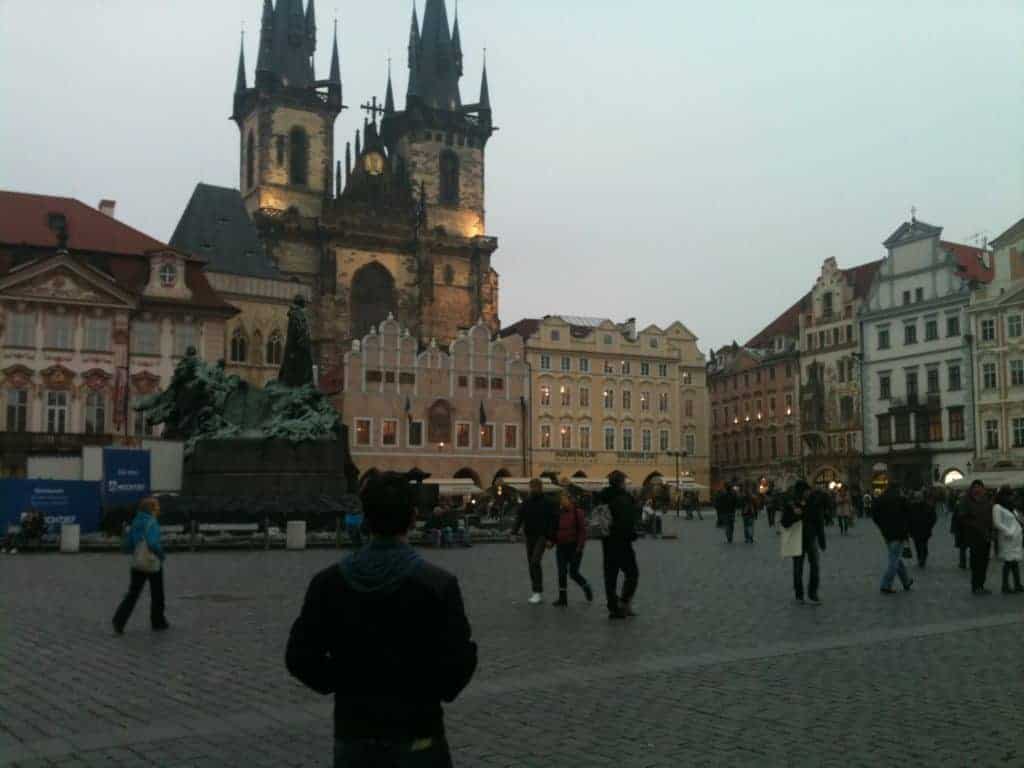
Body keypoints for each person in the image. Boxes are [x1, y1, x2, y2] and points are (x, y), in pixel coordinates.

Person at [286, 470, 476, 768]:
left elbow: (299, 658)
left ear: (364, 518)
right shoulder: (438, 585)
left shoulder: (328, 583)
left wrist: (343, 679)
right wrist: (427, 687)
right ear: (414, 518)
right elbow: (459, 665)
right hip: (419, 735)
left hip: (355, 735)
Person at [112, 497, 169, 635]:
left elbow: (127, 545)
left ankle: (119, 620)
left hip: (137, 563)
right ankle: (158, 621)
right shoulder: (152, 522)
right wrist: (161, 555)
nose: (158, 510)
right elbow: (153, 543)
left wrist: (135, 552)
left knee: (133, 594)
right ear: (152, 509)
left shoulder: (136, 522)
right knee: (157, 594)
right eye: (156, 507)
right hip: (152, 562)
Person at [597, 471, 640, 620]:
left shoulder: (603, 496)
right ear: (621, 482)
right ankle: (624, 603)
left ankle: (613, 608)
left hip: (607, 541)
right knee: (632, 573)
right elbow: (627, 521)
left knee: (610, 576)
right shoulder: (624, 498)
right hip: (622, 542)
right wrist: (632, 535)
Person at [510, 480, 557, 605]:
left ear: (541, 488)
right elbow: (519, 517)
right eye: (532, 487)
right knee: (531, 563)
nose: (534, 489)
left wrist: (551, 539)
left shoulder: (549, 502)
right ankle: (536, 592)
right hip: (530, 535)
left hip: (543, 536)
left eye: (536, 487)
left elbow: (553, 521)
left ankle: (537, 591)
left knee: (535, 561)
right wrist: (513, 532)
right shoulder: (526, 502)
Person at [781, 481, 826, 605]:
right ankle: (799, 594)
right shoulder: (791, 504)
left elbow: (819, 521)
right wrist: (795, 515)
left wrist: (822, 539)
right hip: (797, 540)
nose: (808, 492)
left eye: (809, 490)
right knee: (797, 569)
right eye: (806, 490)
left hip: (811, 539)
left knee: (815, 566)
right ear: (801, 491)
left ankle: (813, 593)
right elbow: (784, 522)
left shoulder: (814, 502)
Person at [551, 494, 594, 606]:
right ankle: (562, 599)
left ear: (570, 501)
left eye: (563, 500)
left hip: (574, 547)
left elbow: (582, 532)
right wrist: (551, 541)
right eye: (561, 500)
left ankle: (586, 586)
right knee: (561, 573)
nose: (561, 502)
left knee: (573, 573)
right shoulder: (559, 513)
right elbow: (556, 529)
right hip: (561, 547)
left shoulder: (578, 513)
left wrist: (579, 547)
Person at [873, 485, 914, 594]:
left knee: (895, 557)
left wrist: (882, 526)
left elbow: (874, 515)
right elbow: (910, 514)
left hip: (886, 533)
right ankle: (885, 584)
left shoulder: (881, 500)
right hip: (899, 533)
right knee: (894, 559)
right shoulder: (901, 500)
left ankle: (906, 581)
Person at [959, 480, 994, 595]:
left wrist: (991, 531)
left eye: (979, 487)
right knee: (975, 563)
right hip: (974, 536)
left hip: (986, 536)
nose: (977, 489)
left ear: (983, 489)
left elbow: (991, 517)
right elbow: (962, 517)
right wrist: (974, 524)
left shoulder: (987, 501)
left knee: (984, 562)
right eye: (975, 487)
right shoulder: (966, 501)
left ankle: (981, 585)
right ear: (972, 489)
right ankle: (975, 586)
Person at [992, 487, 1023, 595]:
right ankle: (1005, 585)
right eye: (1009, 495)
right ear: (1003, 496)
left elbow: (1017, 519)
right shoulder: (997, 507)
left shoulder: (1010, 507)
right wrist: (1008, 531)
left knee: (1014, 562)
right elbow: (997, 522)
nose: (1011, 498)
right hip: (1007, 538)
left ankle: (1017, 584)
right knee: (1008, 562)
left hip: (1016, 539)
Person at [908, 490, 938, 568]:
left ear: (922, 498)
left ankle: (923, 558)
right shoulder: (911, 506)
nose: (918, 498)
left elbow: (933, 517)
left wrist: (929, 525)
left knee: (923, 545)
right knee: (917, 545)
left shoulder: (927, 506)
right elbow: (907, 518)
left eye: (919, 497)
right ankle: (920, 558)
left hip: (925, 529)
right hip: (915, 529)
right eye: (917, 497)